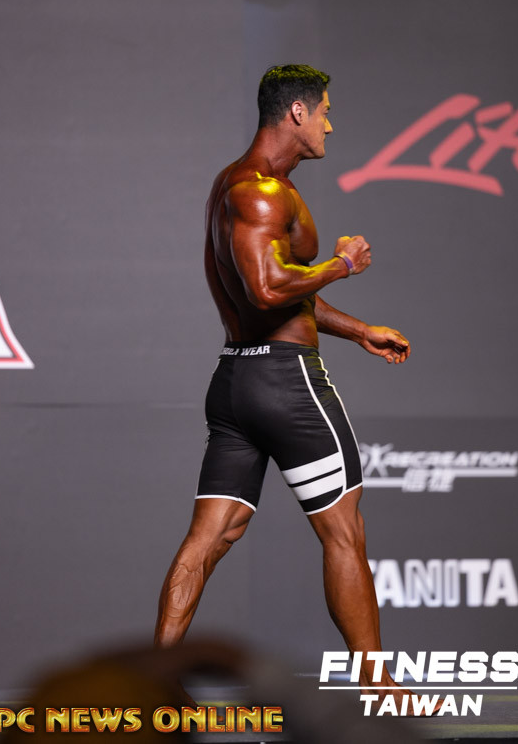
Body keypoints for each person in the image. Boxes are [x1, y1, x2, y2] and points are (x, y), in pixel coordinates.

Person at [154, 65, 422, 714]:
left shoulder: (235, 186)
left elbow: (277, 290)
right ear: (297, 112)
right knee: (344, 534)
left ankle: (154, 677)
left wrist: (358, 330)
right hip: (288, 382)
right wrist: (342, 264)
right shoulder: (262, 192)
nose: (331, 123)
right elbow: (268, 289)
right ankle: (380, 689)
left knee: (211, 535)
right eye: (324, 110)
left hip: (235, 382)